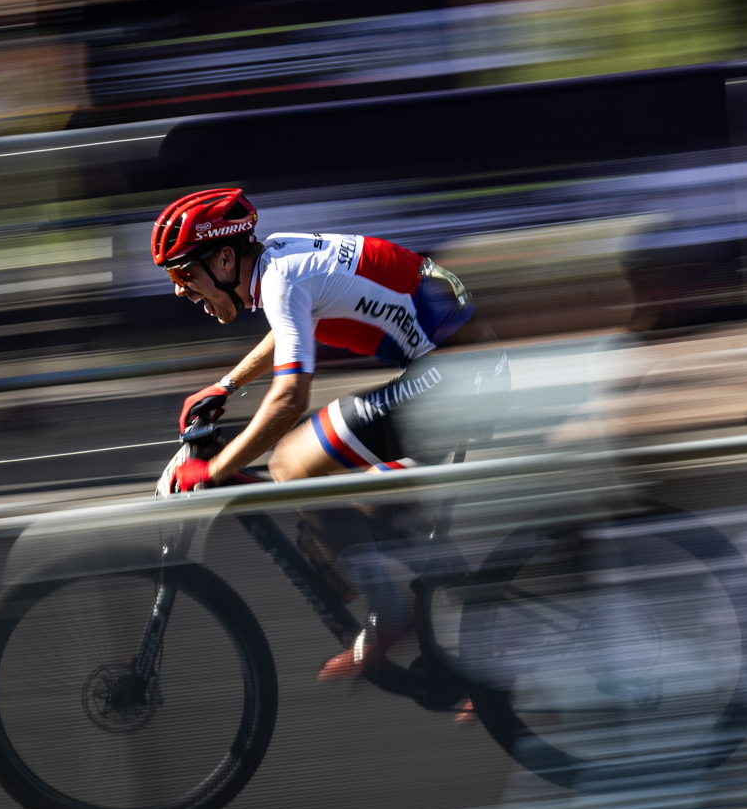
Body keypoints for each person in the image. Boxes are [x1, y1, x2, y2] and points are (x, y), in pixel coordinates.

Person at [150, 187, 510, 680]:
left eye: (184, 274)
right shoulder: (279, 260)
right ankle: (492, 650)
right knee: (373, 510)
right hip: (464, 368)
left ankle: (390, 617)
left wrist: (214, 469)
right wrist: (227, 384)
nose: (179, 290)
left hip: (459, 376)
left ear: (226, 260)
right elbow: (296, 321)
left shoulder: (281, 277)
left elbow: (289, 399)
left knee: (292, 464)